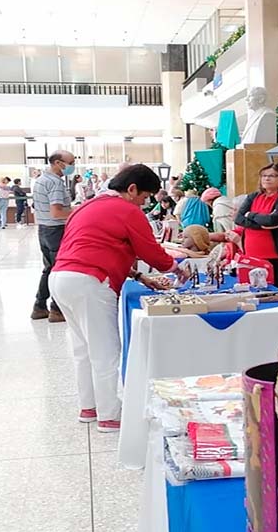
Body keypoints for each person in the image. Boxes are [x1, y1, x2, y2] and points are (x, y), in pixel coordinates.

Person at [49, 164, 189, 431]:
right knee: (105, 352)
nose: (144, 203)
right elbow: (150, 250)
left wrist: (139, 277)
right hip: (90, 282)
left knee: (83, 350)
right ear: (132, 189)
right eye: (144, 197)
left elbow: (102, 245)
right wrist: (174, 268)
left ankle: (89, 407)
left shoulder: (89, 205)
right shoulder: (127, 210)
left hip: (61, 278)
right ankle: (109, 416)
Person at [235, 163, 278, 286]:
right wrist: (261, 226)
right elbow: (238, 218)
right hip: (251, 255)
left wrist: (251, 215)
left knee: (275, 292)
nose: (267, 178)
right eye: (264, 176)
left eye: (272, 176)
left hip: (275, 257)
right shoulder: (253, 196)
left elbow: (271, 221)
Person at [32, 151, 75, 322]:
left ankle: (39, 306)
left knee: (49, 269)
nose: (73, 166)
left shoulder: (41, 180)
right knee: (59, 271)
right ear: (58, 163)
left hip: (44, 229)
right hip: (56, 231)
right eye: (70, 162)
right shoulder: (55, 183)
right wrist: (79, 210)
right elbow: (57, 212)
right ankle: (56, 310)